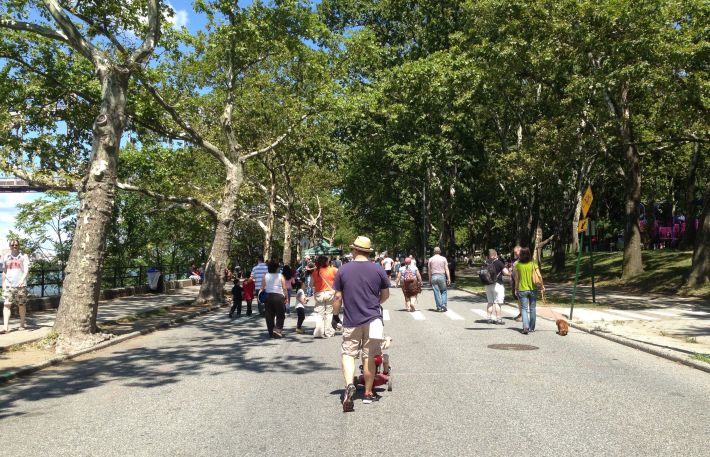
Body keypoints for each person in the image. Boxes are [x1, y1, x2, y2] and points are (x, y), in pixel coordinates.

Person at [331, 236, 390, 411]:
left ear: (355, 250)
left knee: (349, 353)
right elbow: (385, 295)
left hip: (351, 320)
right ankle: (368, 393)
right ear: (368, 251)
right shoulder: (378, 269)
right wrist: (374, 303)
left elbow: (337, 297)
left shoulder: (343, 270)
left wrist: (335, 316)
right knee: (369, 356)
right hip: (374, 319)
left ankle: (350, 384)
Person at [2, 239, 30, 333]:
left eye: (16, 244)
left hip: (21, 285)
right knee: (6, 304)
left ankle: (22, 324)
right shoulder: (6, 257)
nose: (14, 246)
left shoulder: (23, 256)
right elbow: (4, 271)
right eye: (12, 245)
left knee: (21, 305)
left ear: (19, 245)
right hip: (9, 285)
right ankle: (5, 327)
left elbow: (26, 270)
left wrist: (22, 280)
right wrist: (3, 283)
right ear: (10, 246)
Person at [514, 247, 543, 334]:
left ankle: (525, 327)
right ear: (529, 254)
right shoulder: (533, 264)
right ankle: (532, 327)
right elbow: (539, 276)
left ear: (521, 255)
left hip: (522, 289)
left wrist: (516, 288)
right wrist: (542, 286)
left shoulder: (518, 265)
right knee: (533, 308)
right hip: (533, 289)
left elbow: (517, 278)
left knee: (523, 309)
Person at [259, 260, 288, 338]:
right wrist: (286, 297)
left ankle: (271, 332)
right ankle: (278, 329)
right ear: (276, 268)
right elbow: (284, 288)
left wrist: (259, 296)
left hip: (268, 296)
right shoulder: (280, 276)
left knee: (269, 315)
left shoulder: (265, 275)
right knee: (280, 314)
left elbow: (262, 287)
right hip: (279, 296)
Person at [312, 255, 338, 338]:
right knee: (329, 313)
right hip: (330, 293)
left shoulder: (315, 272)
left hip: (319, 293)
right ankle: (328, 332)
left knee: (320, 314)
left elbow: (311, 284)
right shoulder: (333, 270)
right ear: (327, 262)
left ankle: (319, 332)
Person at [484, 249, 510, 325]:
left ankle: (489, 318)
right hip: (497, 285)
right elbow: (506, 272)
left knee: (490, 302)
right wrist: (510, 272)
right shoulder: (499, 263)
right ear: (496, 255)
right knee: (498, 303)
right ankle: (498, 319)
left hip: (488, 285)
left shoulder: (486, 263)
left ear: (489, 255)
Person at [427, 247, 451, 312]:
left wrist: (429, 280)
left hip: (434, 276)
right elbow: (446, 269)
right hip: (442, 276)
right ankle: (443, 304)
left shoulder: (430, 259)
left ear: (434, 252)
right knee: (444, 291)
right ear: (440, 251)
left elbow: (429, 271)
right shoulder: (443, 259)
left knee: (436, 292)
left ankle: (438, 307)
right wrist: (449, 278)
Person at [510, 245, 522, 321]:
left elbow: (517, 275)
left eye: (516, 252)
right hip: (516, 281)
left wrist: (516, 287)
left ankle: (522, 315)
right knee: (518, 299)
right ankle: (521, 313)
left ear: (520, 251)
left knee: (521, 299)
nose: (515, 254)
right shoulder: (517, 260)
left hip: (520, 283)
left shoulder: (521, 261)